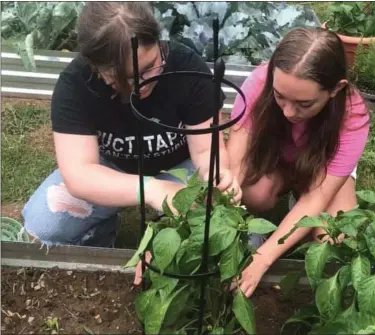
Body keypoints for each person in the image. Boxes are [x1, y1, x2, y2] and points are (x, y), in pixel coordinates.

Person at [21, 2, 241, 249]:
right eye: (122, 79)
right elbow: (80, 172)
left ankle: (165, 228)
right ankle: (101, 234)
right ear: (95, 66)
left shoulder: (188, 69)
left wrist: (216, 172)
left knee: (213, 231)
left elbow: (204, 151)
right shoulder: (76, 85)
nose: (141, 85)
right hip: (110, 170)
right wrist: (150, 189)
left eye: (150, 68)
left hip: (179, 167)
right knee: (44, 228)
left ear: (159, 42)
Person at [227, 27, 370, 298]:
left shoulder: (352, 116)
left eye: (304, 104)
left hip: (322, 171)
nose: (289, 112)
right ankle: (271, 219)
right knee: (254, 194)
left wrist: (263, 257)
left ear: (335, 89)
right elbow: (235, 165)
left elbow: (318, 196)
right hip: (276, 159)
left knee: (334, 237)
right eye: (280, 96)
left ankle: (294, 223)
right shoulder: (259, 83)